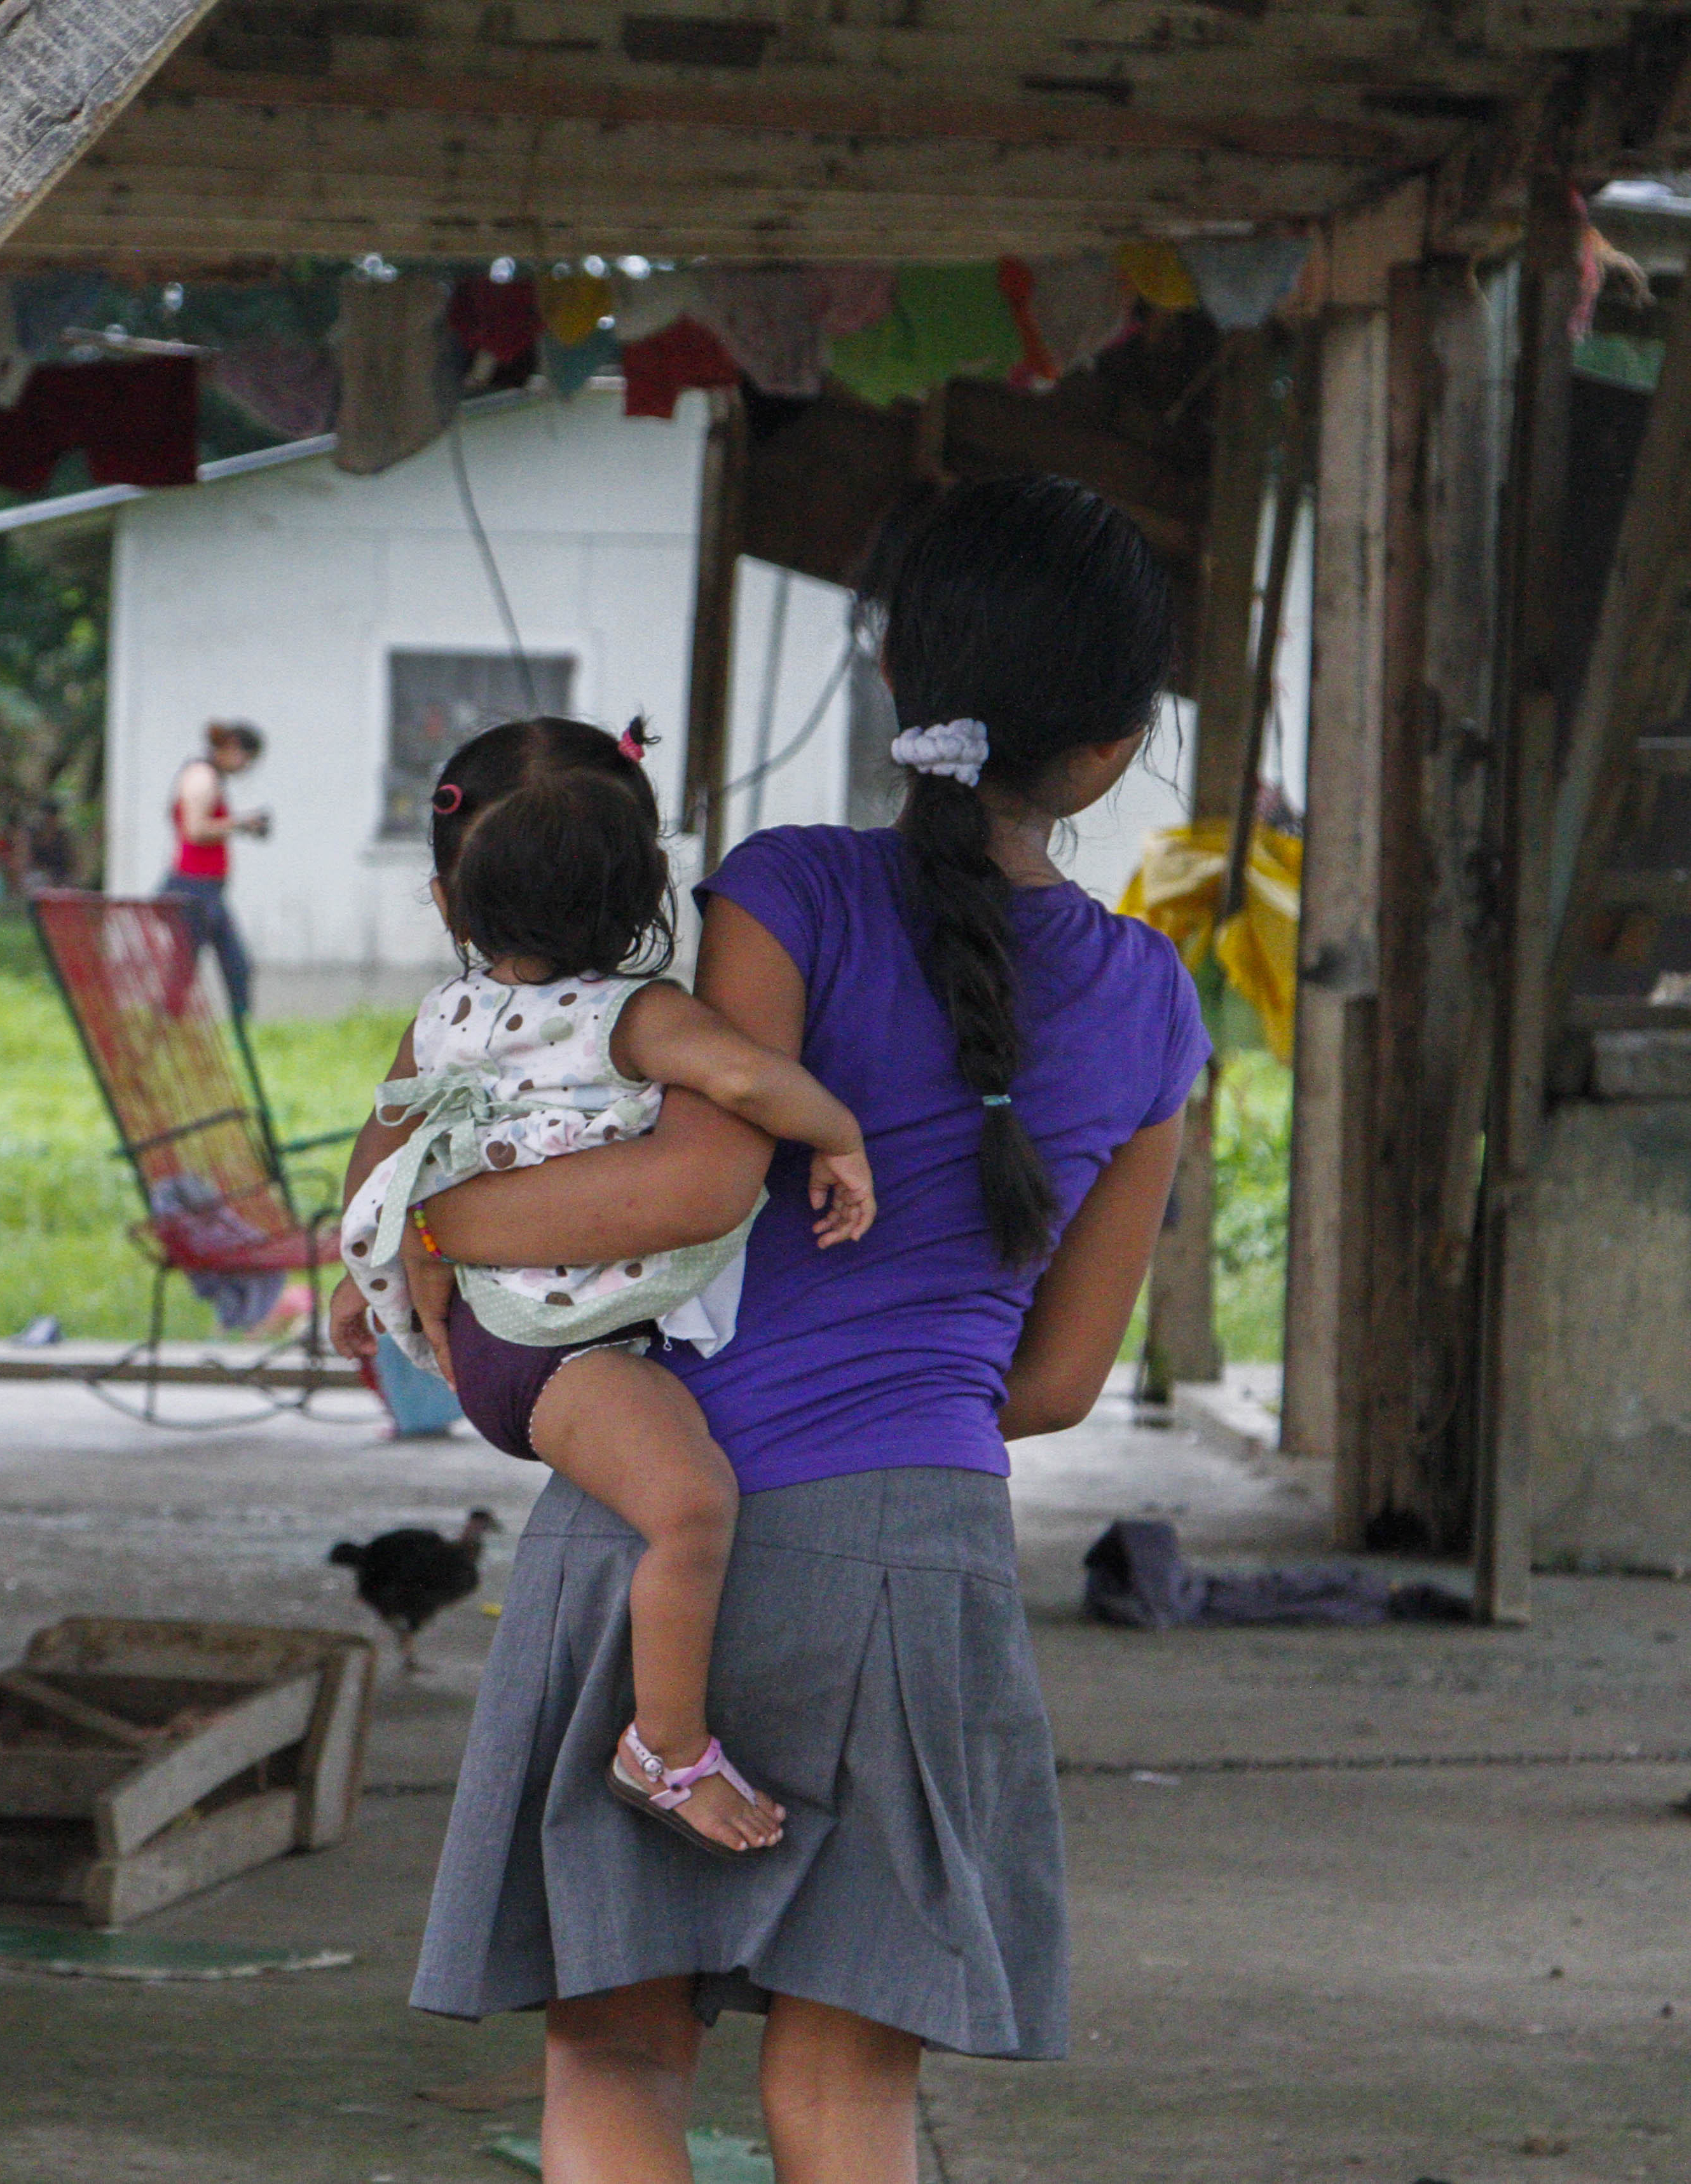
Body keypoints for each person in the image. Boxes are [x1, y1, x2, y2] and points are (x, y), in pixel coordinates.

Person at [352, 476, 1207, 2184]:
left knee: (608, 2046)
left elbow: (687, 1177)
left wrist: (410, 1226)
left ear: (894, 681)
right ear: (1110, 753)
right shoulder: (1150, 1006)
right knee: (843, 2087)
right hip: (915, 1558)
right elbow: (1046, 1382)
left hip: (658, 1513)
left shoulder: (783, 890)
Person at [336, 718, 880, 1858]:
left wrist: (355, 1269)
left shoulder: (441, 1019)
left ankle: (662, 1738)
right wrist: (836, 1133)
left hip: (498, 1339)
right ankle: (665, 1750)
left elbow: (382, 1138)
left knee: (677, 1502)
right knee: (692, 1508)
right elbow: (745, 1076)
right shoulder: (638, 1018)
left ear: (447, 901)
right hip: (555, 1353)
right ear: (649, 889)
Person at [162, 719, 268, 1018]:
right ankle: (169, 1022)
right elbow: (194, 830)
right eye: (247, 759)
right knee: (193, 966)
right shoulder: (202, 777)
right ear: (233, 749)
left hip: (206, 888)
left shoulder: (209, 777)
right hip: (194, 887)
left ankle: (238, 1024)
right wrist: (242, 823)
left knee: (231, 965)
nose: (245, 768)